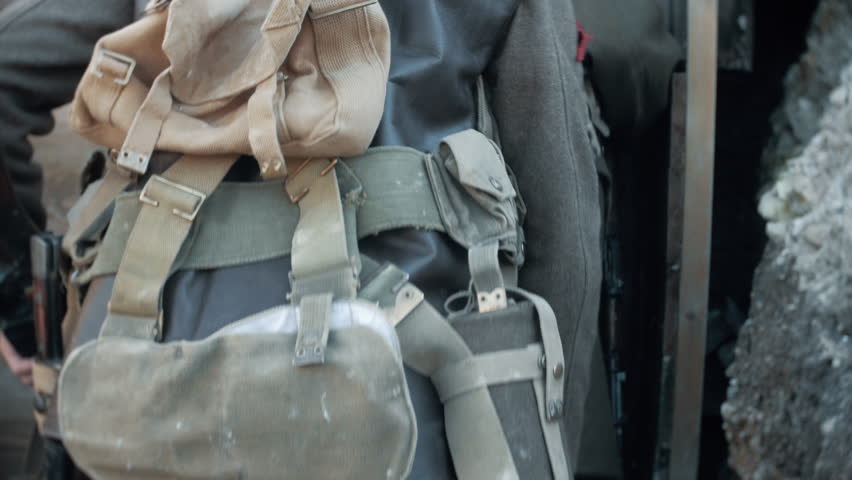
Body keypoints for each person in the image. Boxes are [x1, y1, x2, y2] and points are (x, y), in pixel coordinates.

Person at [1, 0, 603, 475]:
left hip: (141, 395)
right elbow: (566, 236)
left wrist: (27, 308)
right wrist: (539, 439)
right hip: (399, 407)